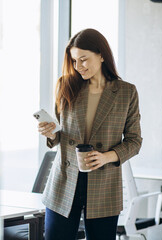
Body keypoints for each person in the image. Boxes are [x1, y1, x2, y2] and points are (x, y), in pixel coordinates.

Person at [38, 28, 142, 240]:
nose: (78, 67)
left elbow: (134, 141)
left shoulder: (126, 92)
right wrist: (50, 133)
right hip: (64, 182)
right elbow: (61, 135)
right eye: (74, 61)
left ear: (102, 55)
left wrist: (106, 157)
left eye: (83, 60)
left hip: (104, 184)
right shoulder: (65, 85)